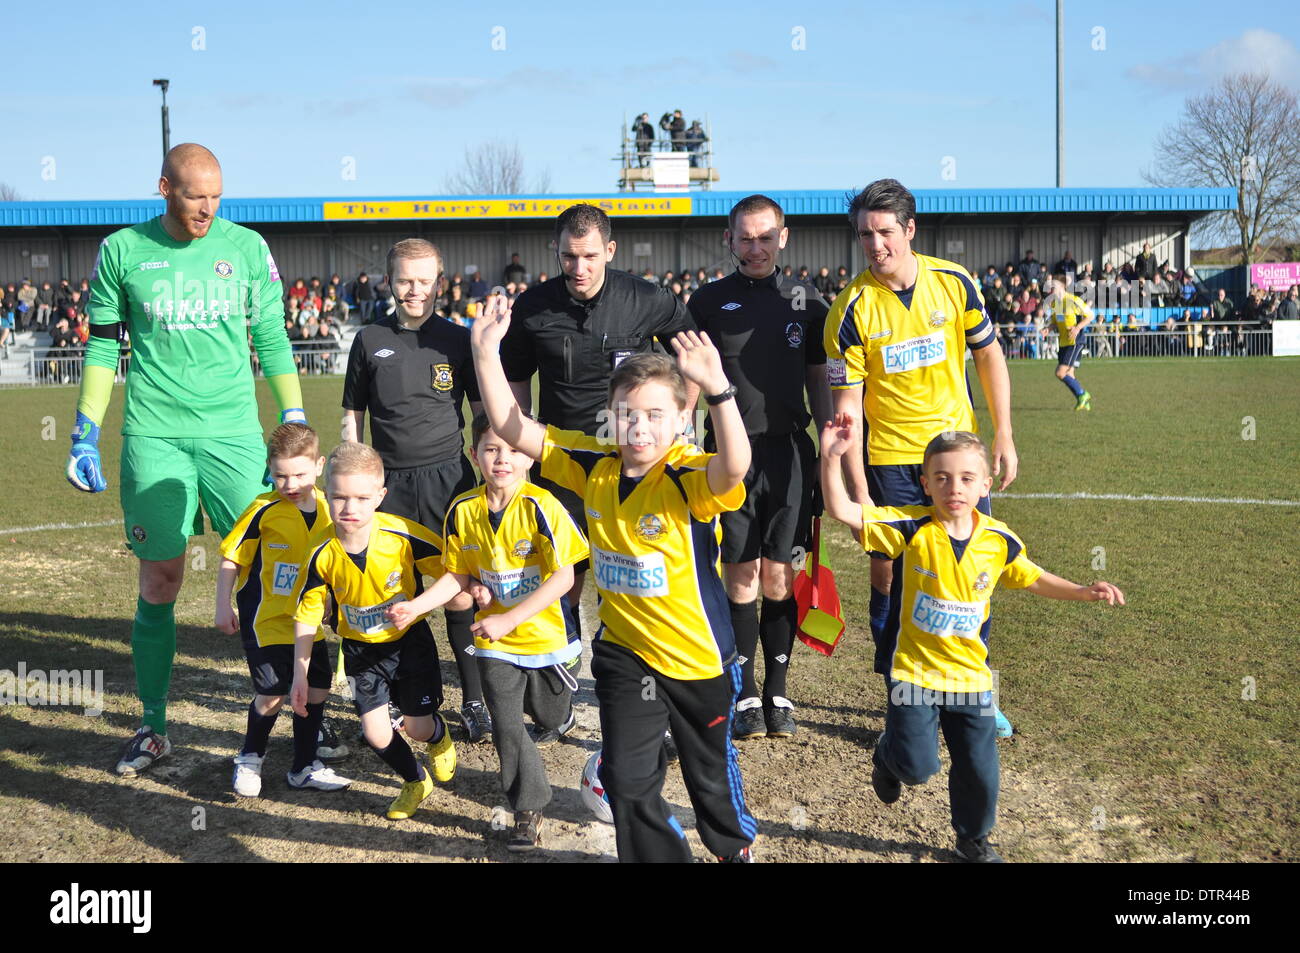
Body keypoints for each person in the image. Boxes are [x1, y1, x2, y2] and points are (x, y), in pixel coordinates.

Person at [473, 296, 757, 862]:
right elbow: (513, 426)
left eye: (656, 415)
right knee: (626, 781)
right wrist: (485, 354)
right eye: (629, 413)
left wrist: (719, 392)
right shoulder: (593, 464)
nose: (641, 426)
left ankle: (731, 849)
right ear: (611, 414)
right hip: (626, 657)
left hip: (698, 660)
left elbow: (735, 467)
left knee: (708, 782)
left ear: (681, 420)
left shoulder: (687, 474)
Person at [65, 143, 306, 776]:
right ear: (164, 187)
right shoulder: (121, 251)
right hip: (155, 436)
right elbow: (101, 348)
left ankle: (307, 718)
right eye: (195, 194)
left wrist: (294, 413)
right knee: (161, 579)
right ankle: (154, 725)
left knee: (275, 569)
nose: (207, 207)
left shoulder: (248, 249)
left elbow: (271, 336)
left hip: (234, 436)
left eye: (217, 195)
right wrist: (85, 431)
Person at [821, 421, 1124, 862]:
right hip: (914, 672)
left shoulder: (998, 539)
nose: (954, 487)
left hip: (973, 678)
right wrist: (831, 457)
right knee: (917, 767)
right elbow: (844, 511)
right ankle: (888, 758)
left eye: (966, 478)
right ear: (925, 484)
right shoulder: (910, 526)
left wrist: (1082, 590)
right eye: (941, 478)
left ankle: (973, 842)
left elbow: (1033, 576)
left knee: (981, 771)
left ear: (985, 483)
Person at [823, 178, 1019, 736]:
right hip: (890, 461)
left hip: (958, 460)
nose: (875, 243)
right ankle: (900, 693)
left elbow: (989, 358)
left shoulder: (955, 282)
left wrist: (1002, 434)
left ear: (910, 230)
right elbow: (847, 411)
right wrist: (858, 489)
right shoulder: (849, 310)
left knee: (969, 572)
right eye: (865, 233)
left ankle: (974, 689)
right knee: (891, 578)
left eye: (885, 231)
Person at [400, 415, 588, 851]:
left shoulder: (543, 506)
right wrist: (417, 606)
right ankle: (527, 808)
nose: (502, 458)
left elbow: (564, 578)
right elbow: (456, 576)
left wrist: (511, 617)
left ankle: (559, 707)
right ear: (474, 455)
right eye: (491, 449)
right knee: (506, 725)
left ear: (531, 458)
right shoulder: (462, 511)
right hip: (493, 641)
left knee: (550, 716)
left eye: (514, 450)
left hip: (546, 639)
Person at [499, 203, 697, 612]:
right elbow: (516, 376)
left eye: (589, 255)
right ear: (555, 249)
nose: (579, 267)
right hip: (562, 454)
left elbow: (694, 356)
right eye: (569, 256)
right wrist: (522, 438)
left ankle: (636, 649)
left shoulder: (647, 297)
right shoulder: (532, 306)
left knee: (635, 558)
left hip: (633, 454)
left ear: (610, 250)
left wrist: (684, 420)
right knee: (564, 566)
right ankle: (565, 650)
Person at [688, 194, 831, 741]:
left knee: (779, 574)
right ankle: (744, 690)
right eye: (745, 238)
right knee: (740, 574)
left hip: (790, 454)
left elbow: (818, 377)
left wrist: (827, 448)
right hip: (728, 455)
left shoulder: (806, 300)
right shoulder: (706, 302)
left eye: (765, 237)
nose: (755, 247)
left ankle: (779, 689)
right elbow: (685, 379)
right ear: (730, 239)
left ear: (783, 237)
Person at [342, 238, 491, 742]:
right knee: (398, 592)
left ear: (439, 282)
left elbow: (479, 411)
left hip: (449, 480)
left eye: (425, 280)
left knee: (458, 592)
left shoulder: (457, 339)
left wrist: (488, 461)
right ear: (389, 281)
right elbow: (352, 416)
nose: (415, 289)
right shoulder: (368, 340)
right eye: (405, 279)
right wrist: (353, 475)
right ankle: (409, 700)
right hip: (393, 486)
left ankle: (474, 701)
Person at [291, 441, 460, 820]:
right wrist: (300, 674)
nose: (350, 509)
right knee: (375, 733)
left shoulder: (404, 536)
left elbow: (454, 573)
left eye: (362, 498)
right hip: (360, 652)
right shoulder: (320, 554)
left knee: (416, 729)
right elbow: (306, 616)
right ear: (326, 493)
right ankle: (415, 781)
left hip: (409, 646)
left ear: (381, 496)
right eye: (339, 498)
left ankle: (437, 735)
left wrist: (418, 606)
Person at [216, 423, 352, 797]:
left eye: (300, 475)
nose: (290, 484)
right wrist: (221, 604)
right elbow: (232, 556)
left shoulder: (331, 508)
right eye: (280, 476)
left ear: (320, 465)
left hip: (309, 625)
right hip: (267, 621)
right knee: (273, 694)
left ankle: (304, 765)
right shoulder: (263, 511)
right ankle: (249, 757)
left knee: (316, 689)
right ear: (270, 470)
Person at [1044, 275, 1095, 410]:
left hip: (1074, 342)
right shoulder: (1055, 304)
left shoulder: (1073, 300)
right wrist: (1048, 329)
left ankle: (1082, 394)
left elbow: (1090, 315)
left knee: (1060, 372)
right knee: (1070, 374)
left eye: (1053, 286)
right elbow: (1056, 321)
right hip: (1064, 342)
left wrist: (1077, 327)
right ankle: (1084, 402)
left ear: (1062, 286)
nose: (1051, 288)